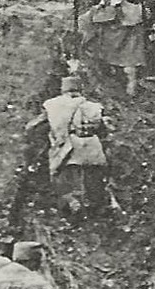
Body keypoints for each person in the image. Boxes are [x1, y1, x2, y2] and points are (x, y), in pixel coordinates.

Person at [76, 0, 153, 98]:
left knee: (98, 37)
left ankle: (107, 82)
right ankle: (130, 88)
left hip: (113, 10)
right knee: (131, 53)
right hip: (134, 12)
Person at [37, 75, 110, 220]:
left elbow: (37, 126)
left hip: (67, 150)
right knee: (93, 181)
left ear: (62, 89)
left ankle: (72, 211)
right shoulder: (94, 106)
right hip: (92, 148)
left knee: (64, 182)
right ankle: (94, 212)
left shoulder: (52, 104)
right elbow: (103, 130)